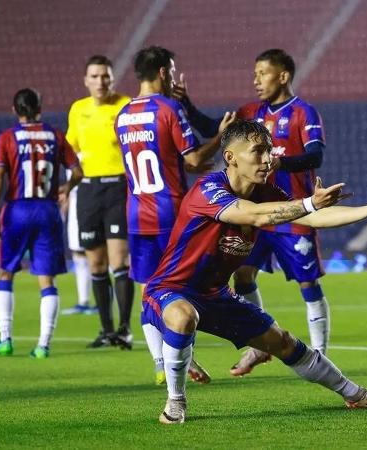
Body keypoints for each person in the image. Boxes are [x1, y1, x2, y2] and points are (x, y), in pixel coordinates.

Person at [142, 120, 367, 424]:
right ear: (230, 157)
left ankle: (356, 394)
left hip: (216, 295)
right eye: (257, 151)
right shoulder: (208, 189)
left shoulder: (266, 192)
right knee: (182, 316)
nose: (267, 157)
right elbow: (255, 215)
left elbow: (314, 218)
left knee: (284, 342)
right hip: (170, 289)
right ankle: (175, 402)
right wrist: (309, 203)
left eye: (269, 150)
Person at [173, 49, 333, 375]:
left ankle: (319, 353)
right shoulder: (251, 112)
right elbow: (219, 132)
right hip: (254, 212)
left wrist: (280, 161)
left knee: (307, 282)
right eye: (255, 73)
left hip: (290, 212)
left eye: (263, 72)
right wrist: (187, 105)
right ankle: (257, 347)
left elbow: (314, 155)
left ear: (283, 76)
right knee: (242, 273)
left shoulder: (304, 112)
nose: (256, 80)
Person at [116, 45, 236, 384]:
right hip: (170, 213)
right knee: (182, 286)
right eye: (171, 70)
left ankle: (160, 362)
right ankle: (179, 358)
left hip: (137, 213)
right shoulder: (168, 109)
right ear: (162, 73)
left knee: (149, 288)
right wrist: (220, 136)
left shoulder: (123, 115)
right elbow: (193, 161)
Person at [0, 88, 83, 358]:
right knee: (47, 279)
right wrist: (66, 186)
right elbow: (78, 171)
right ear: (39, 107)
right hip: (48, 211)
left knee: (5, 273)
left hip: (17, 209)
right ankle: (43, 345)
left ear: (15, 110)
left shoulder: (7, 137)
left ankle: (5, 339)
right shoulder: (55, 135)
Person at [67, 55, 135, 348]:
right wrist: (65, 186)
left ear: (112, 78)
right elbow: (73, 152)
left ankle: (124, 329)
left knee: (119, 261)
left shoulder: (125, 105)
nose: (100, 81)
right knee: (95, 263)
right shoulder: (78, 109)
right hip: (88, 191)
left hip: (118, 187)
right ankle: (106, 330)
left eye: (105, 76)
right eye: (94, 76)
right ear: (86, 80)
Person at [60, 170, 96, 315]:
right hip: (76, 209)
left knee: (98, 254)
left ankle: (103, 303)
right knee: (78, 253)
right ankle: (83, 302)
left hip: (94, 206)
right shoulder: (72, 157)